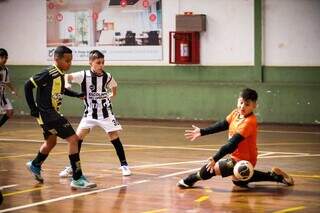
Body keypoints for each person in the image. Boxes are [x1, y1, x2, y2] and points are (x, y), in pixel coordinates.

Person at [177, 88, 294, 188]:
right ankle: (275, 176)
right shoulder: (236, 113)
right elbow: (222, 125)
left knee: (209, 170)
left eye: (247, 104)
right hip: (236, 156)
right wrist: (202, 131)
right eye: (241, 102)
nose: (242, 107)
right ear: (238, 101)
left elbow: (232, 144)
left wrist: (215, 158)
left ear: (254, 106)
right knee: (239, 181)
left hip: (245, 159)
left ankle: (189, 180)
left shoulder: (249, 122)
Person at [24, 46, 97, 189]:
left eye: (71, 61)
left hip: (47, 116)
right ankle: (77, 177)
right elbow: (28, 85)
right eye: (66, 60)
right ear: (56, 59)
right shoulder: (49, 72)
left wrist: (76, 95)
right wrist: (33, 108)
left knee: (51, 142)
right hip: (49, 115)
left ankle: (35, 164)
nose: (69, 64)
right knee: (74, 139)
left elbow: (61, 89)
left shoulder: (60, 74)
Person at [59, 50, 131, 178]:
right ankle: (72, 166)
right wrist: (68, 84)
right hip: (89, 114)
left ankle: (124, 165)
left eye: (103, 62)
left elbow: (114, 85)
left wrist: (113, 94)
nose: (101, 65)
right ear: (90, 63)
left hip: (106, 113)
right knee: (76, 139)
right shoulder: (83, 75)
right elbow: (66, 76)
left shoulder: (107, 76)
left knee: (113, 136)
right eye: (98, 62)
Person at [0, 48, 17, 127]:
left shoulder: (6, 70)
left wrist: (13, 90)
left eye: (6, 58)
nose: (5, 59)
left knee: (10, 111)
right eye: (2, 57)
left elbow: (7, 81)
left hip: (2, 95)